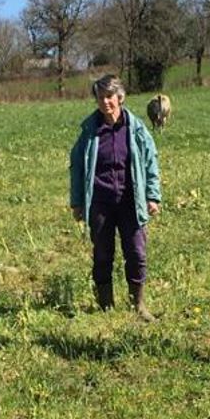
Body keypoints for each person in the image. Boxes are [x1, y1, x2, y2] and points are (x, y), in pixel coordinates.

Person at [69, 74, 162, 320]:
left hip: (131, 200)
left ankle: (138, 304)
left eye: (109, 96)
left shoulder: (136, 129)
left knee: (136, 253)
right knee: (102, 253)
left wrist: (152, 196)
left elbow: (150, 161)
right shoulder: (89, 131)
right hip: (100, 201)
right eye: (100, 97)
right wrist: (77, 202)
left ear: (120, 97)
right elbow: (77, 167)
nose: (105, 102)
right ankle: (105, 305)